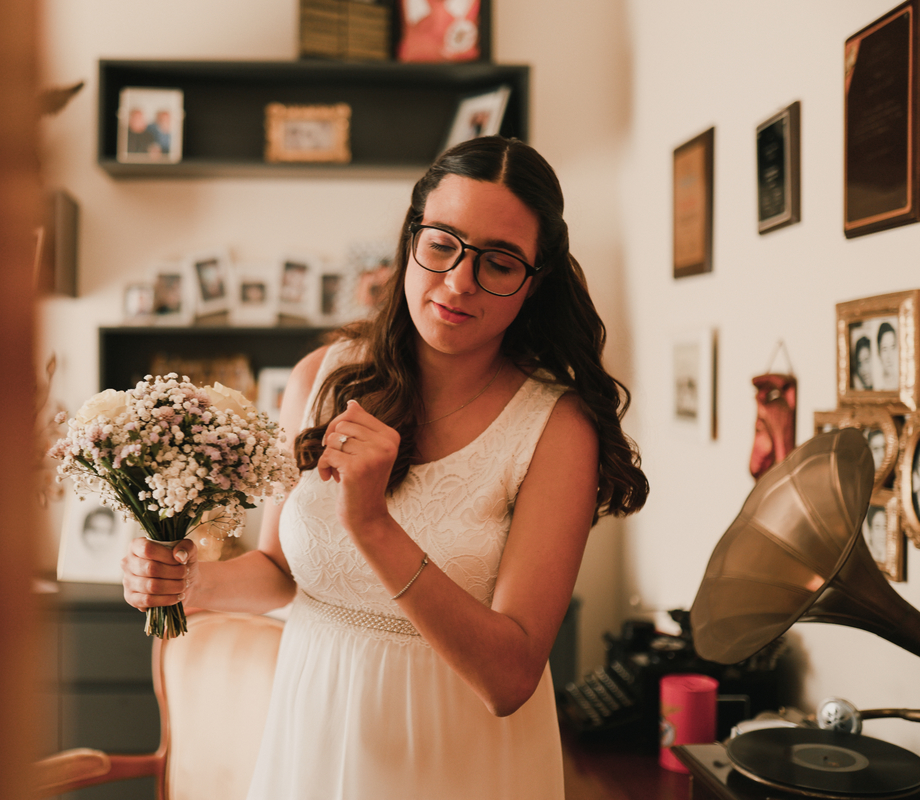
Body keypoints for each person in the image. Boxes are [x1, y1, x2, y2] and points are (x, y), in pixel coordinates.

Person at [122, 137, 649, 799]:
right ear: (411, 239)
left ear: (533, 281)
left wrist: (372, 524)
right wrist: (187, 580)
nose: (459, 281)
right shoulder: (320, 377)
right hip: (314, 729)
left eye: (499, 262)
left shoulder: (555, 428)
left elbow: (510, 678)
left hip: (459, 759)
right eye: (443, 244)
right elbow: (280, 573)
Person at [878, 321, 899, 391]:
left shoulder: (902, 382)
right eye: (884, 348)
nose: (889, 356)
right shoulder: (877, 386)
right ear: (879, 352)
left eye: (892, 347)